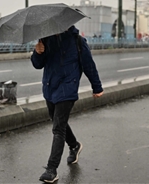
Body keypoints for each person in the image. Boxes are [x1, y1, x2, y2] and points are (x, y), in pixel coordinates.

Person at [31, 25, 104, 183]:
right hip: (50, 87)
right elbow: (38, 65)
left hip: (68, 87)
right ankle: (74, 145)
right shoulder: (46, 40)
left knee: (58, 128)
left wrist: (96, 87)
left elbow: (88, 65)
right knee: (58, 121)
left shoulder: (77, 41)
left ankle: (51, 169)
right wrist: (37, 52)